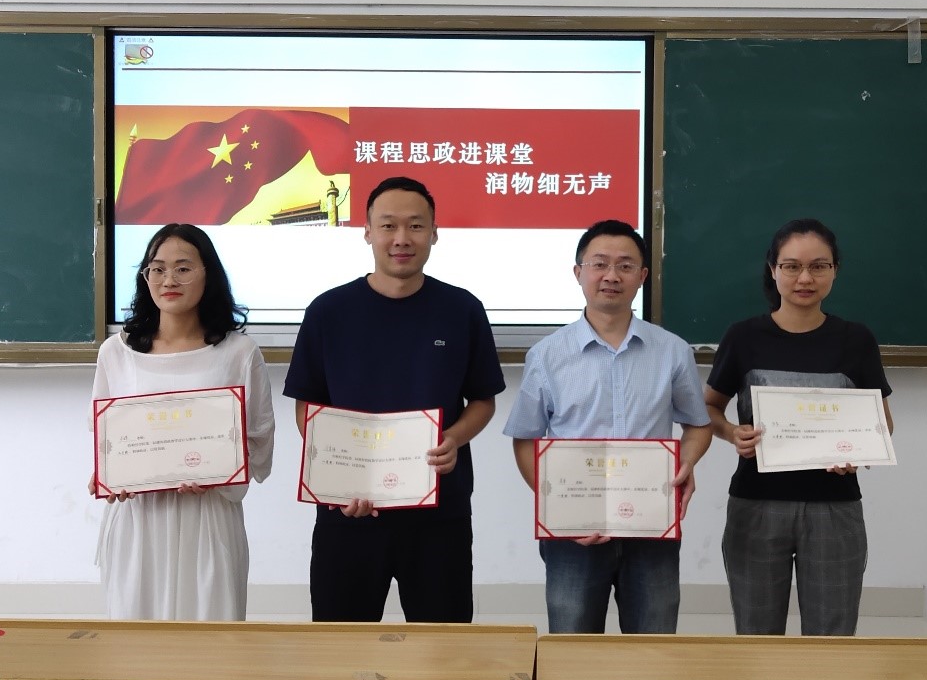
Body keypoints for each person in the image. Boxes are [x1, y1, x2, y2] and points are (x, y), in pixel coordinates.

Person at [284, 176, 505, 623]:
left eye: (415, 226)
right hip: (348, 512)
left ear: (434, 233)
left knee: (442, 648)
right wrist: (338, 470)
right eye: (388, 226)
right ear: (367, 232)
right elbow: (307, 404)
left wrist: (454, 439)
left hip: (438, 514)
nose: (402, 238)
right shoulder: (328, 311)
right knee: (340, 645)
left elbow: (483, 400)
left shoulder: (462, 310)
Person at [505, 219, 711, 633]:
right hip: (572, 533)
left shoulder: (672, 350)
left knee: (652, 645)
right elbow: (525, 439)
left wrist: (686, 462)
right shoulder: (547, 355)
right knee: (573, 647)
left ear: (642, 276)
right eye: (599, 264)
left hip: (651, 525)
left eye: (625, 266)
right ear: (578, 272)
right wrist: (556, 505)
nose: (611, 276)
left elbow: (698, 425)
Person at [704, 218, 893, 636]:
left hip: (834, 507)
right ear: (773, 269)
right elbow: (710, 408)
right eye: (791, 266)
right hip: (756, 504)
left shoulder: (856, 340)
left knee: (831, 636)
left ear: (835, 270)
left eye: (818, 266)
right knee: (756, 633)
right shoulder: (744, 337)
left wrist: (858, 453)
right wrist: (733, 433)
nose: (805, 278)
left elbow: (882, 423)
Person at [90, 223, 274, 621]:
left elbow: (259, 440)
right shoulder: (116, 352)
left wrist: (219, 471)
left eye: (183, 268)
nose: (168, 280)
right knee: (135, 641)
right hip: (139, 520)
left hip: (207, 519)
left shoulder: (239, 352)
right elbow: (105, 435)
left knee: (209, 637)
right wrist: (106, 473)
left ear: (209, 274)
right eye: (156, 269)